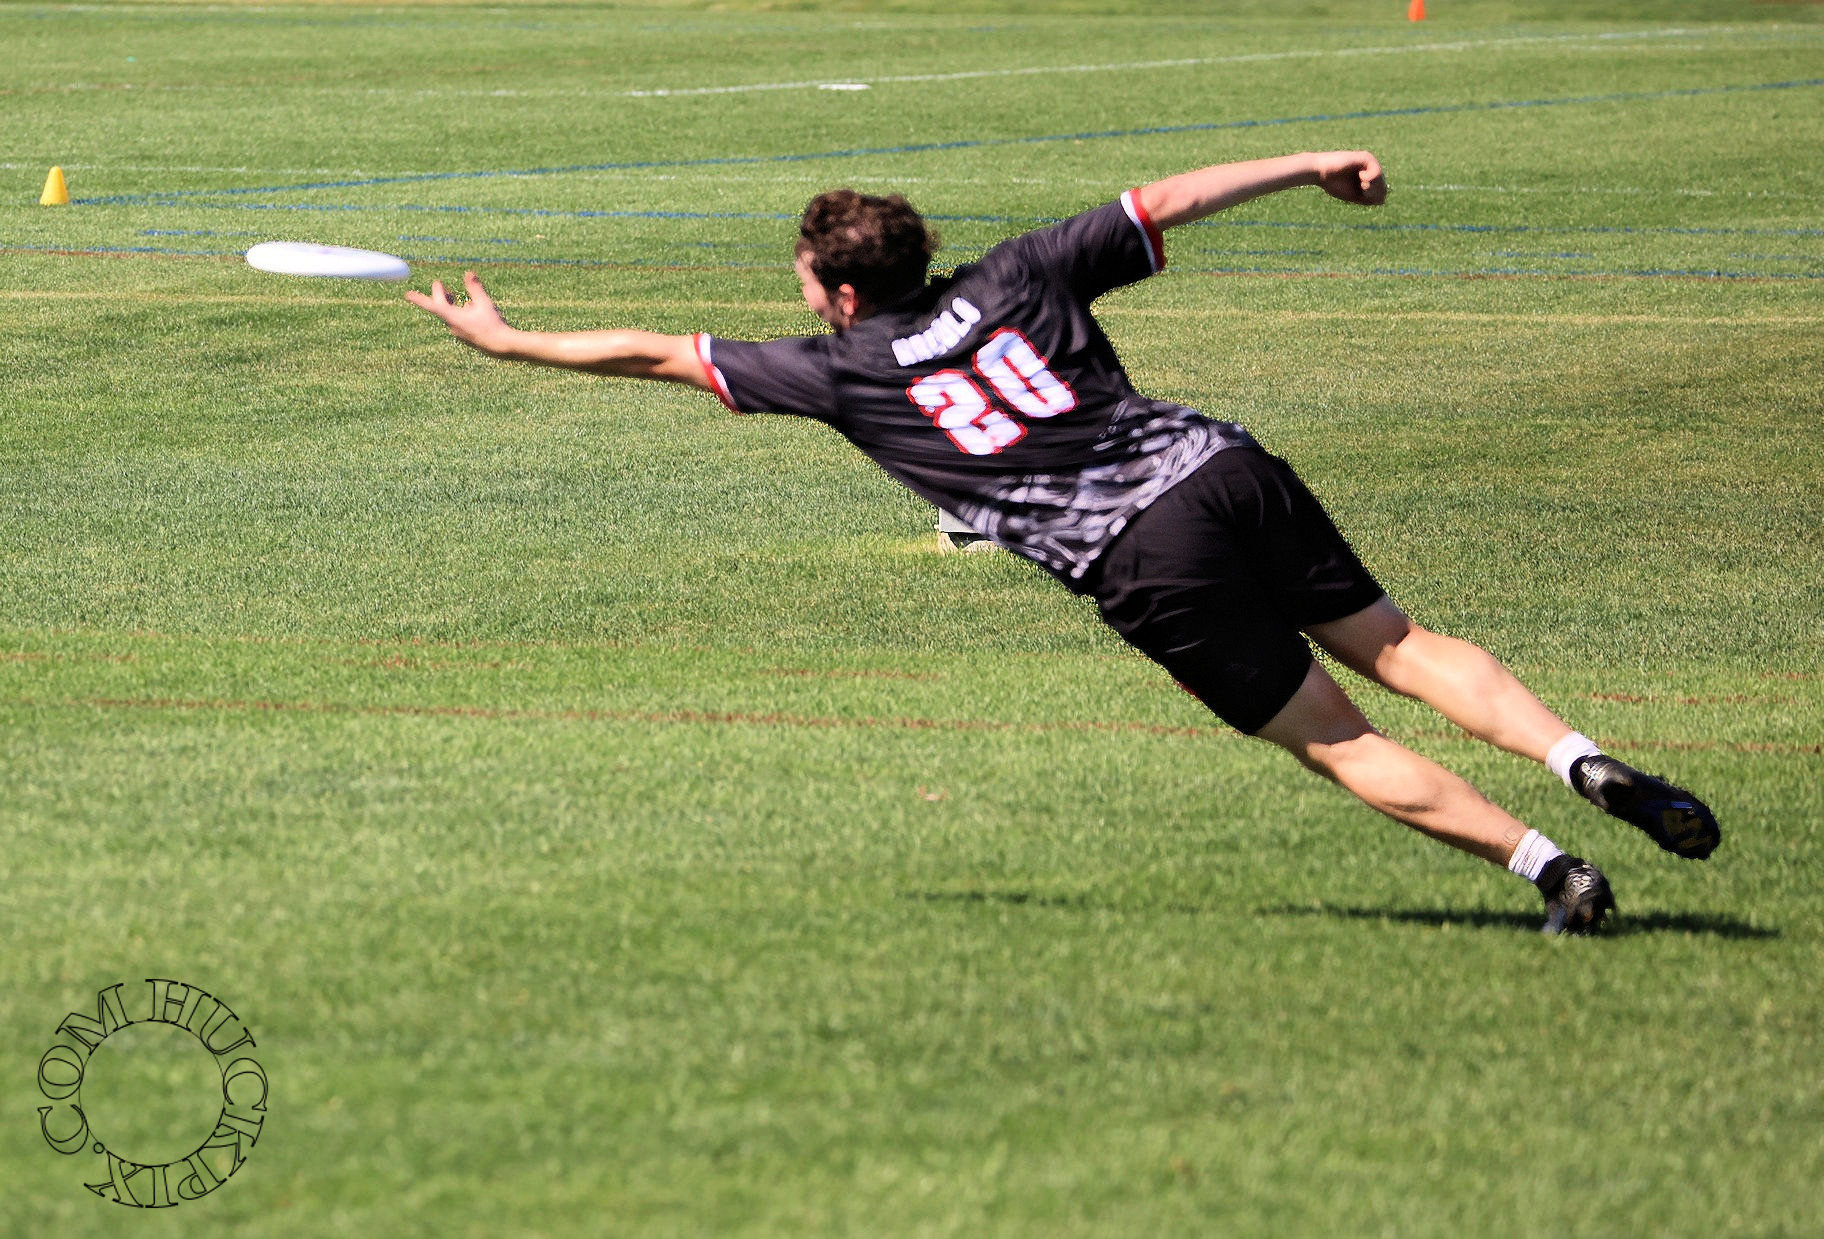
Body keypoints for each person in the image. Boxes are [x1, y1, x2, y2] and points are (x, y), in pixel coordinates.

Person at [407, 149, 1720, 934]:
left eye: (806, 280)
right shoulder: (1018, 271)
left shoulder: (838, 369)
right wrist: (1314, 161)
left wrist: (511, 341)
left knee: (1337, 736)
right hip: (1222, 467)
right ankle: (1581, 758)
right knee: (1401, 645)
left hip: (1145, 560)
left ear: (842, 291)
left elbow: (652, 353)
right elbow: (1169, 198)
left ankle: (1555, 869)